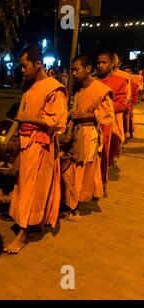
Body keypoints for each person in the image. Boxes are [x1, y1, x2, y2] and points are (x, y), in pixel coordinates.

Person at [4, 46, 67, 254]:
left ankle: (22, 235)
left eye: (24, 66)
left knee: (31, 188)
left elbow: (57, 121)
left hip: (41, 144)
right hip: (27, 143)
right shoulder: (29, 86)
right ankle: (33, 221)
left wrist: (27, 119)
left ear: (38, 64)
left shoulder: (54, 88)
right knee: (27, 186)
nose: (22, 70)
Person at [61, 55, 114, 222]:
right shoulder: (78, 90)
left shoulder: (100, 89)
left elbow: (107, 116)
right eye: (72, 70)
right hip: (75, 133)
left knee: (80, 170)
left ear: (88, 69)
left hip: (88, 134)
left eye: (77, 69)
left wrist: (85, 116)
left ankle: (74, 207)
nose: (74, 73)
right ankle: (70, 203)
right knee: (70, 169)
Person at [96, 52, 127, 186]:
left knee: (102, 156)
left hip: (105, 125)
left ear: (112, 64)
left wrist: (101, 108)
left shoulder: (119, 81)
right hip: (88, 124)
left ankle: (99, 183)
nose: (100, 65)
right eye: (98, 63)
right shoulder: (92, 81)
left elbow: (121, 105)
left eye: (104, 62)